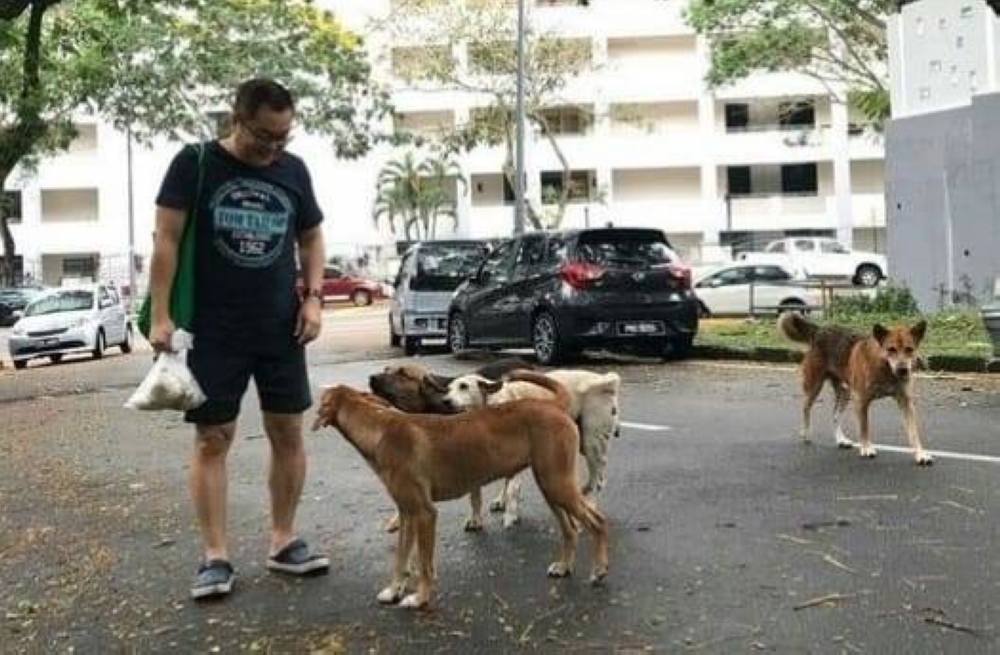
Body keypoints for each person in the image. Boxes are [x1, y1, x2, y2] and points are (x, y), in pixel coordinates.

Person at [149, 77, 328, 600]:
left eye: (283, 137)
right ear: (237, 119)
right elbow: (166, 239)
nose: (273, 148)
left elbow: (311, 236)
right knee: (213, 438)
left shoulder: (293, 170)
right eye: (263, 136)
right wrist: (160, 315)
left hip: (280, 326)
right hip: (214, 328)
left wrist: (314, 298)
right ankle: (215, 557)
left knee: (288, 432)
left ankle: (283, 540)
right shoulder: (196, 163)